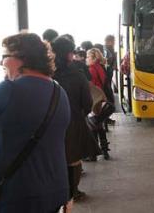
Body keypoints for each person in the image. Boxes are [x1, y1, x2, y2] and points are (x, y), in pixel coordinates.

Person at [0, 33, 71, 212]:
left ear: (22, 58)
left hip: (17, 194)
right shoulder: (59, 92)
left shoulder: (7, 90)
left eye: (4, 56)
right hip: (57, 190)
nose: (0, 62)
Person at [51, 36, 100, 204]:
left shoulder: (46, 74)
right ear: (69, 54)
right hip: (72, 121)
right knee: (73, 159)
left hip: (49, 125)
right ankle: (73, 192)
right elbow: (87, 103)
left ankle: (57, 191)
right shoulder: (76, 74)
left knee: (55, 157)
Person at [86, 48, 111, 160]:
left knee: (93, 125)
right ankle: (105, 150)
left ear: (93, 58)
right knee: (99, 124)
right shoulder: (101, 67)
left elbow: (90, 85)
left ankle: (94, 154)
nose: (86, 59)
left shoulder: (91, 69)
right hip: (101, 97)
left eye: (88, 57)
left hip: (94, 99)